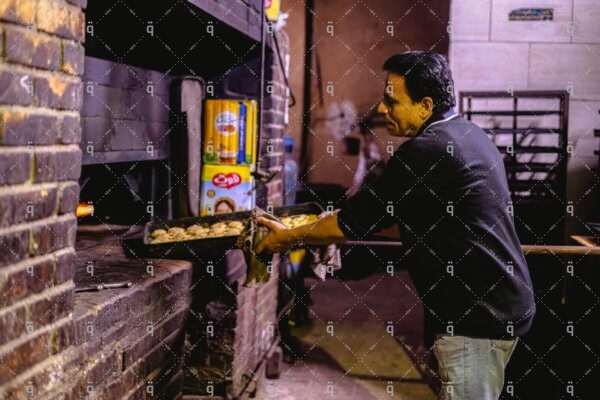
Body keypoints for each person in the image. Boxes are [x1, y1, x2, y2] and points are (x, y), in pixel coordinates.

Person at [257, 51, 536, 400]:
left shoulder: (427, 151)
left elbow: (351, 223)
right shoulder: (468, 135)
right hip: (498, 305)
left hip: (475, 320)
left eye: (392, 100)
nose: (382, 109)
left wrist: (287, 237)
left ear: (425, 105)